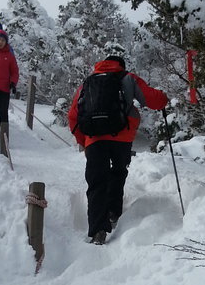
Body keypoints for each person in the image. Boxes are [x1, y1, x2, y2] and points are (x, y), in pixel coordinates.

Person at [68, 55, 168, 244]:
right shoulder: (128, 78)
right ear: (121, 65)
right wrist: (164, 98)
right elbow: (152, 100)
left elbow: (73, 115)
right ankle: (113, 212)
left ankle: (98, 229)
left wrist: (84, 141)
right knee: (118, 171)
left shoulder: (88, 82)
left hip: (94, 139)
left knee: (97, 182)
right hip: (122, 137)